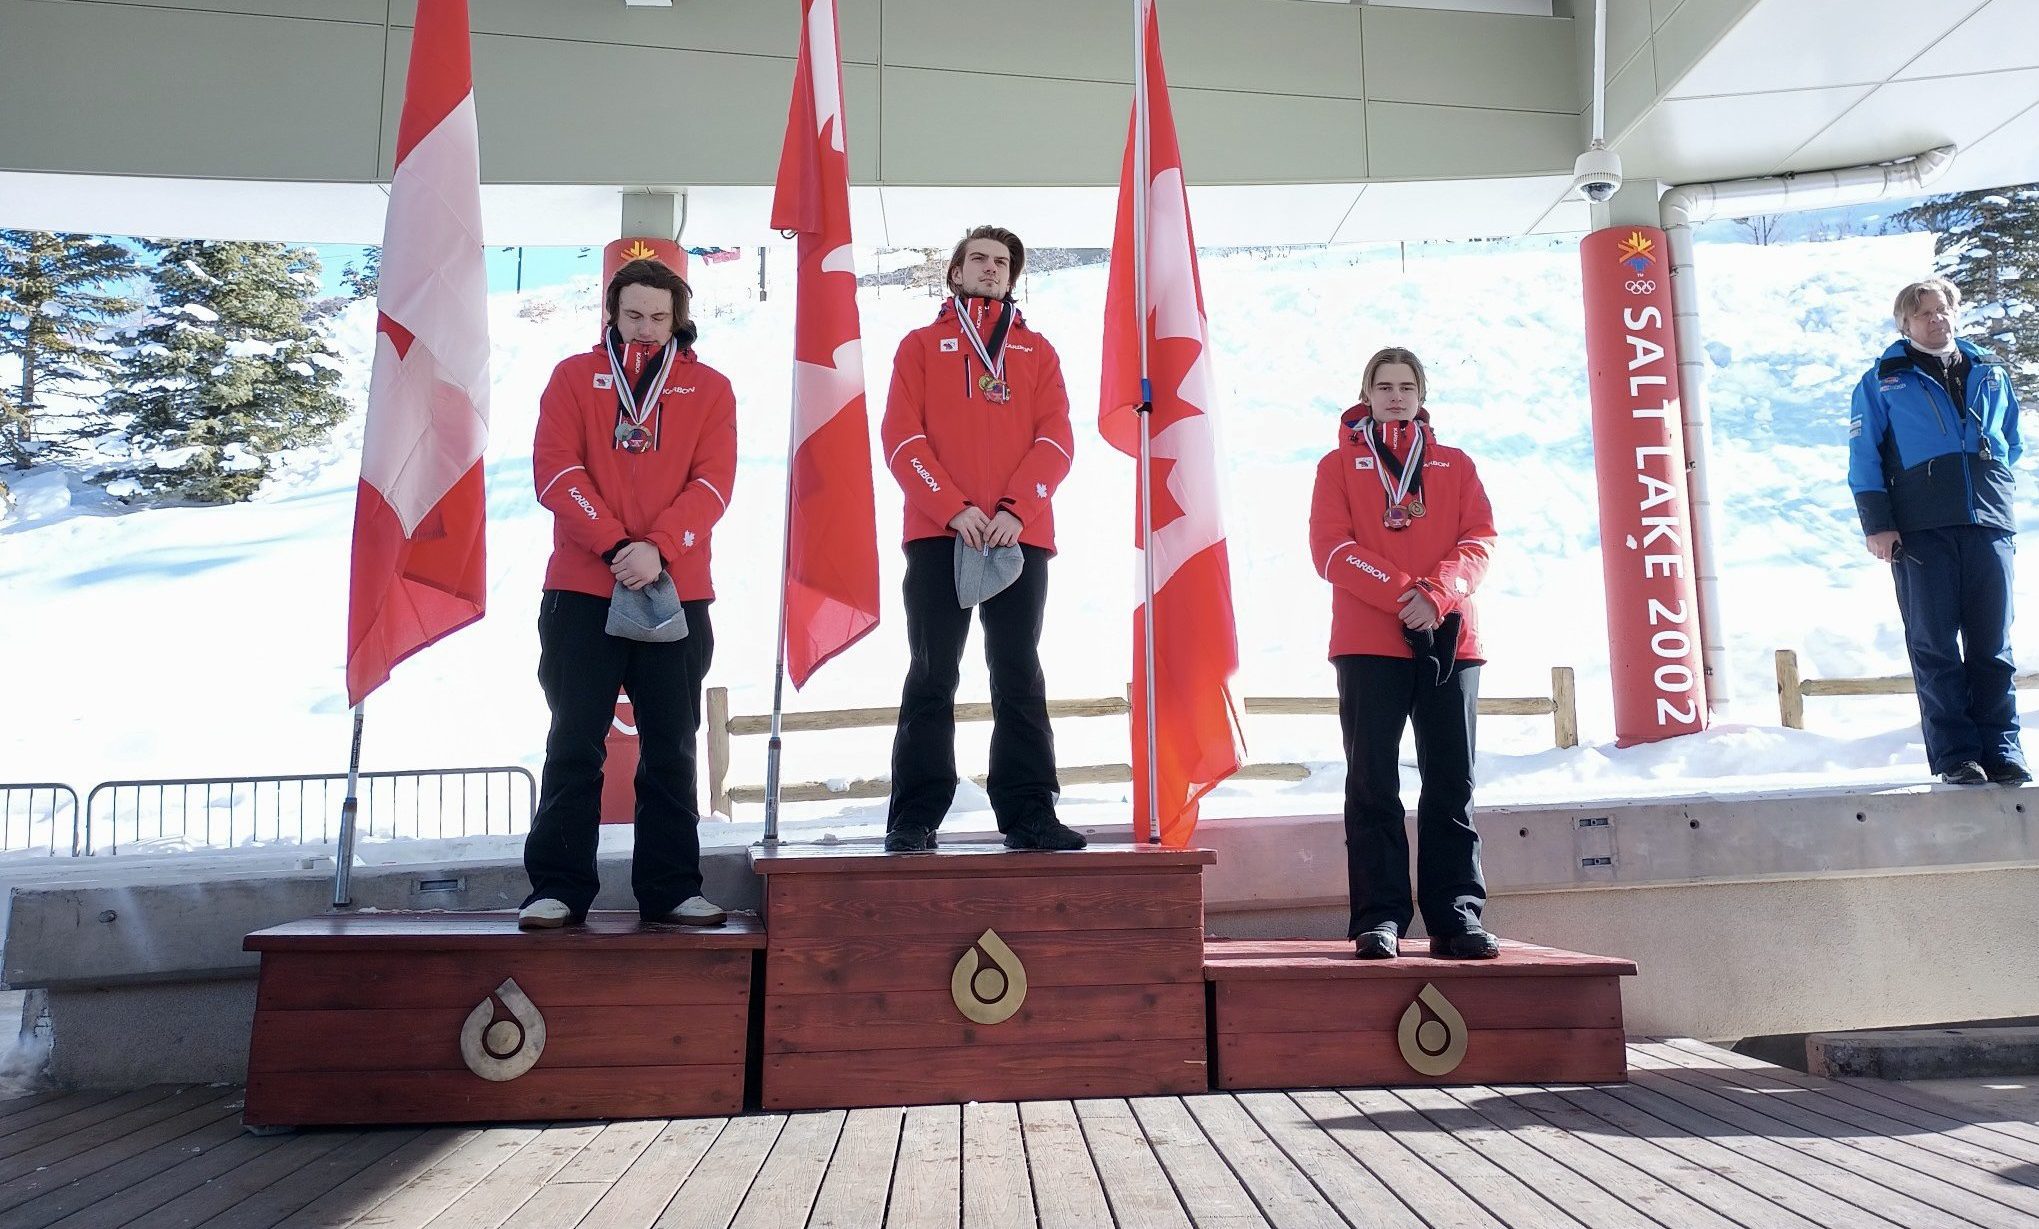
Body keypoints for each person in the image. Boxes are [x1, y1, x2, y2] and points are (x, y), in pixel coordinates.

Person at [518, 258, 736, 928]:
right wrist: (615, 545)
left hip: (676, 589)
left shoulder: (710, 389)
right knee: (574, 740)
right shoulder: (571, 378)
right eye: (634, 313)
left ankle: (671, 887)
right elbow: (556, 471)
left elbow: (714, 483)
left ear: (679, 319)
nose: (645, 326)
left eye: (659, 315)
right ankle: (557, 887)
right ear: (611, 313)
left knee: (671, 744)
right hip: (583, 587)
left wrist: (659, 547)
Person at [878, 225, 1085, 853]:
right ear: (956, 272)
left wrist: (1018, 511)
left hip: (1019, 535)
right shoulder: (919, 346)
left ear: (1014, 276)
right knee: (933, 671)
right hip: (943, 534)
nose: (990, 270)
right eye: (978, 260)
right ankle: (914, 816)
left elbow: (1056, 441)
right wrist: (952, 510)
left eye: (1001, 262)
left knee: (1017, 670)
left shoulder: (1038, 351)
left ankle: (1029, 814)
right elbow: (901, 440)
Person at [1309, 347, 1500, 959]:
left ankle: (1455, 917)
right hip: (1369, 643)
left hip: (1451, 641)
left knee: (1451, 781)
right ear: (1366, 394)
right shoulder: (1337, 466)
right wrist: (1403, 597)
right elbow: (1331, 550)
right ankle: (1379, 916)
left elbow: (1480, 542)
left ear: (1422, 395)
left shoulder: (1455, 463)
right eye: (1384, 386)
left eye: (1406, 386)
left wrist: (1436, 597)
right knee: (1372, 782)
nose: (1396, 396)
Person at [1849, 277, 2027, 786]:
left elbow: (2010, 441)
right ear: (1904, 323)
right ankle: (1955, 756)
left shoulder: (1989, 373)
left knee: (1993, 643)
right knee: (1935, 646)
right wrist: (1879, 525)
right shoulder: (1884, 379)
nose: (1936, 319)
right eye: (1924, 313)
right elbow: (1863, 457)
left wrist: (1994, 488)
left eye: (1943, 309)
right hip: (1921, 529)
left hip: (1988, 522)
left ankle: (2002, 750)